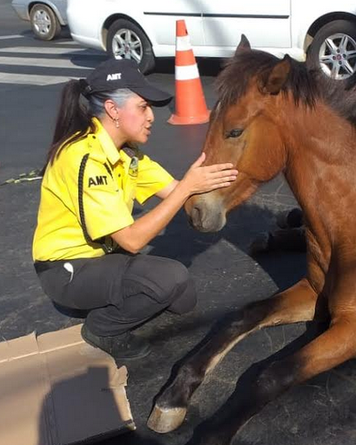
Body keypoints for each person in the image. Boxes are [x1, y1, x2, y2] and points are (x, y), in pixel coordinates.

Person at [32, 59, 238, 361]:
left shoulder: (127, 153)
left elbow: (180, 193)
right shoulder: (84, 159)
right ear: (114, 111)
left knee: (183, 299)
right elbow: (132, 240)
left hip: (102, 258)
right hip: (66, 270)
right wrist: (186, 188)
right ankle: (102, 328)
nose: (151, 117)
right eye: (142, 107)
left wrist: (225, 188)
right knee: (170, 278)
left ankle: (112, 297)